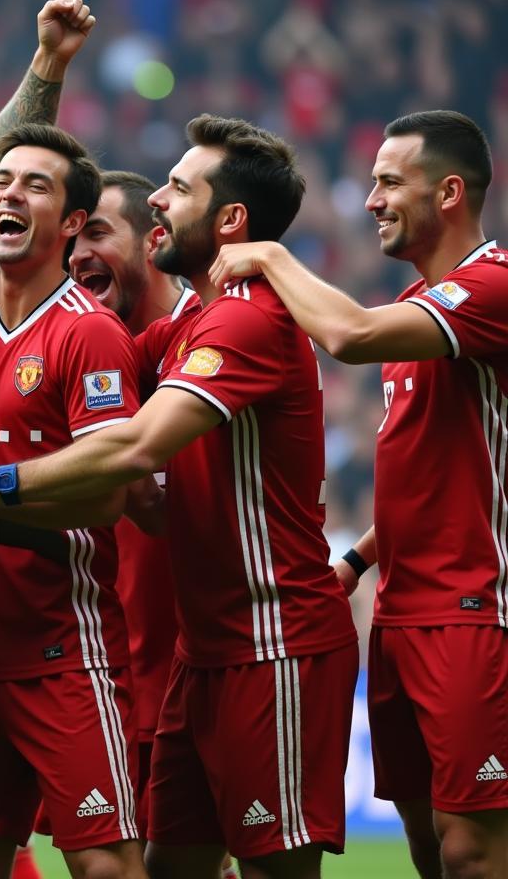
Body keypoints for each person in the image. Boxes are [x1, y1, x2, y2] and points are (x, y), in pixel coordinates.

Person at [0, 114, 359, 879]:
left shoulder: (248, 319)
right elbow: (83, 351)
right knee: (171, 866)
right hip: (205, 649)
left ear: (229, 220)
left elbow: (132, 447)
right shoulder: (190, 320)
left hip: (274, 640)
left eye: (179, 189)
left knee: (270, 870)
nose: (158, 197)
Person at [208, 110, 508, 879]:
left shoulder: (491, 288)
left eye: (387, 182)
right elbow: (432, 479)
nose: (371, 199)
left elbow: (348, 337)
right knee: (427, 847)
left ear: (448, 192)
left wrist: (270, 256)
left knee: (476, 847)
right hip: (404, 616)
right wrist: (358, 561)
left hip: (476, 612)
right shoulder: (426, 310)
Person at [0, 123, 146, 879]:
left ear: (72, 223)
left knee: (106, 865)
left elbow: (111, 487)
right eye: (1, 182)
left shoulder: (90, 337)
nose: (9, 194)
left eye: (35, 185)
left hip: (65, 649)